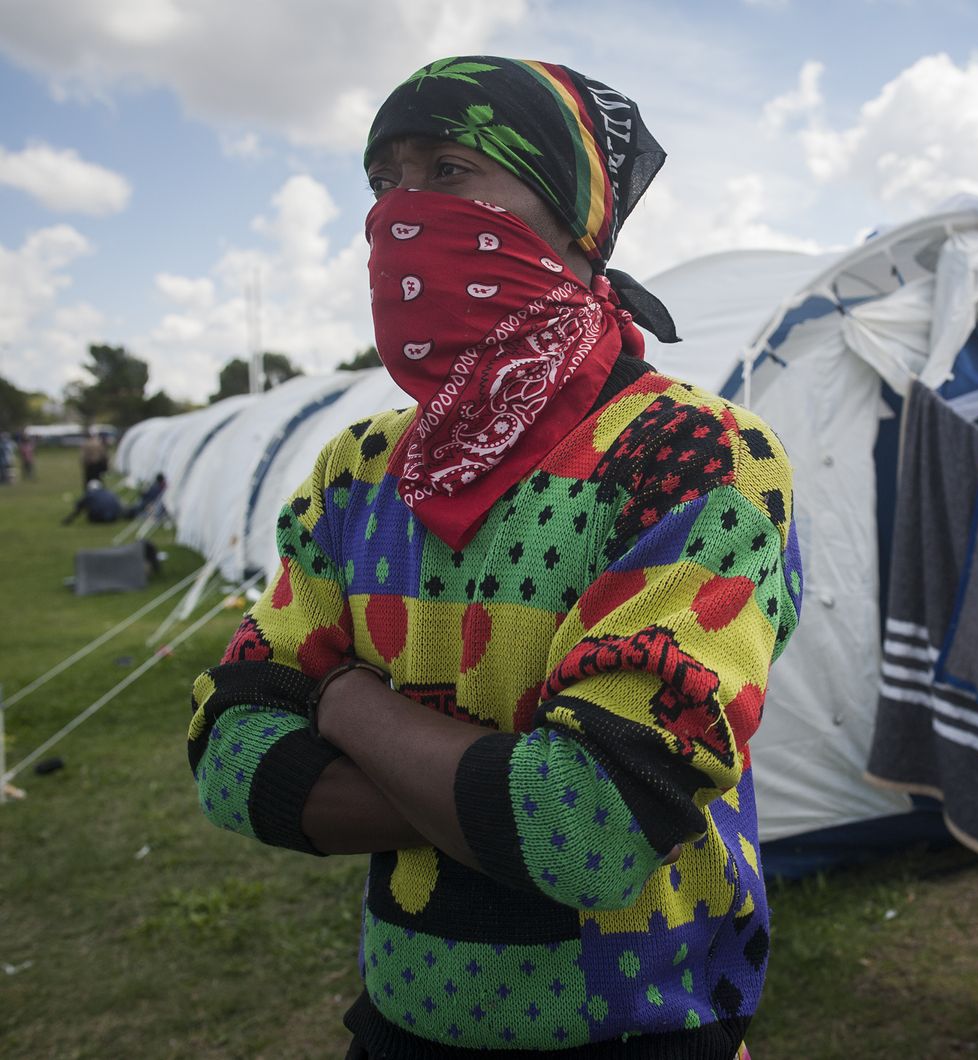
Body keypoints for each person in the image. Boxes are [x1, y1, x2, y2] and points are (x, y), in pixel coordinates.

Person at [188, 56, 801, 1058]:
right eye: (385, 178)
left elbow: (594, 825)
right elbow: (228, 750)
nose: (400, 212)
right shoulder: (362, 469)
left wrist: (341, 699)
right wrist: (500, 794)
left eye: (448, 168)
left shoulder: (696, 453)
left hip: (646, 1030)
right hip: (399, 1027)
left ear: (571, 216)